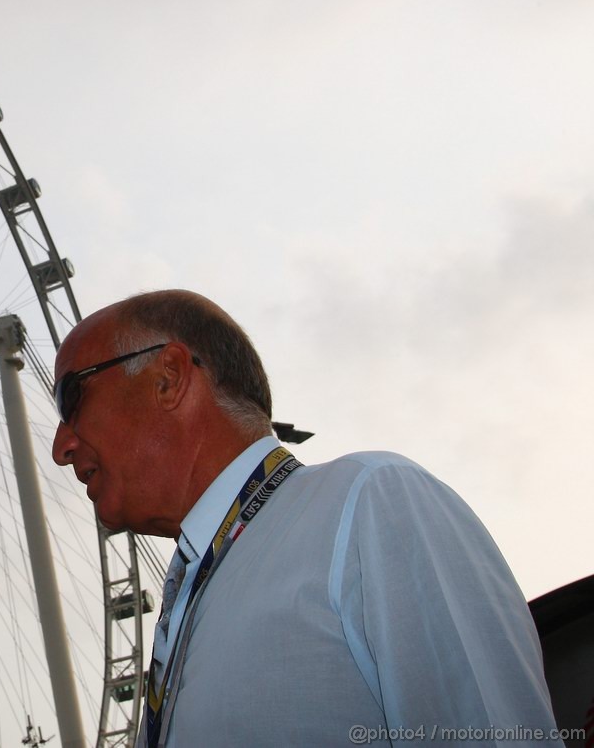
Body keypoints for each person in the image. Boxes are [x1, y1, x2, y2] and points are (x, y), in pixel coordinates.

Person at [50, 290, 560, 747]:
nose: (60, 447)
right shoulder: (193, 592)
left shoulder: (370, 504)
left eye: (71, 399)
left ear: (169, 378)